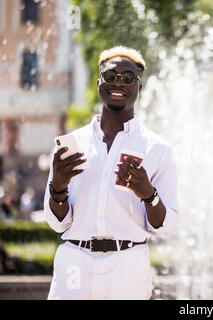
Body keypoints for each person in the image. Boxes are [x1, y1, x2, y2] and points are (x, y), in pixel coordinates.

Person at [43, 46, 179, 300]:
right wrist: (57, 187)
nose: (118, 82)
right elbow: (57, 222)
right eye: (110, 76)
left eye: (128, 78)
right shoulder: (71, 144)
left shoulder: (158, 149)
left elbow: (166, 226)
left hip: (128, 265)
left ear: (139, 87)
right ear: (98, 83)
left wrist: (148, 194)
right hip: (74, 260)